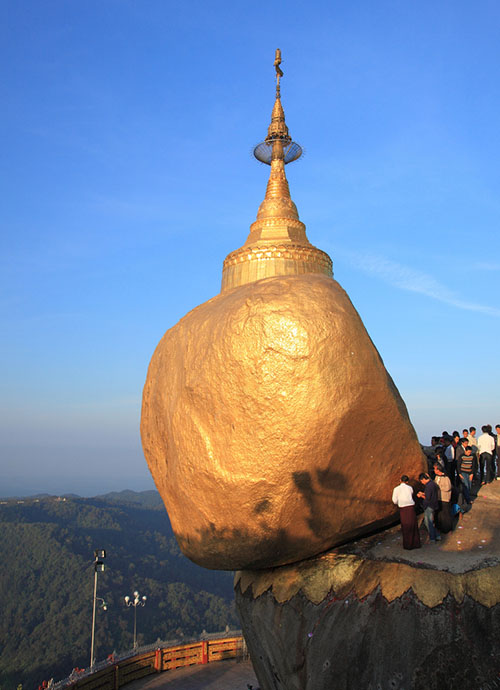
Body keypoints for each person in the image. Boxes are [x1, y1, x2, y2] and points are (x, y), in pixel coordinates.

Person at [392, 475, 421, 550]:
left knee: (406, 526)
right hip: (411, 508)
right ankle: (415, 543)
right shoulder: (410, 488)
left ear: (400, 480)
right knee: (413, 525)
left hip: (403, 508)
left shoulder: (396, 489)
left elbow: (394, 500)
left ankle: (408, 544)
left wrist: (399, 501)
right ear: (407, 481)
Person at [417, 473, 441, 543]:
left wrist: (420, 495)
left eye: (421, 481)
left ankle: (433, 537)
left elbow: (427, 498)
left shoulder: (428, 486)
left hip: (429, 506)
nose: (422, 482)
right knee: (427, 522)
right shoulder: (433, 484)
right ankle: (436, 535)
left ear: (423, 479)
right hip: (433, 504)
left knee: (429, 522)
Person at [433, 463, 453, 533]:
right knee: (439, 514)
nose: (434, 470)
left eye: (435, 469)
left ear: (438, 470)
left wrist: (439, 487)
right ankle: (439, 527)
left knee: (446, 514)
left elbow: (448, 487)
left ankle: (447, 528)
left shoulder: (446, 478)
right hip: (438, 498)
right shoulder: (436, 477)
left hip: (445, 498)